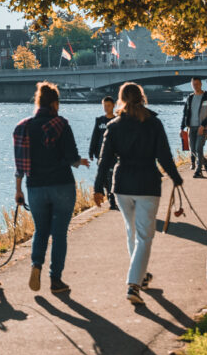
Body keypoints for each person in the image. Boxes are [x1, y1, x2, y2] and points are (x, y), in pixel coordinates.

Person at [93, 82, 183, 305]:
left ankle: (140, 276)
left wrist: (97, 188)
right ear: (142, 97)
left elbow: (104, 161)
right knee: (144, 237)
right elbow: (164, 156)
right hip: (147, 184)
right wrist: (176, 177)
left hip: (122, 185)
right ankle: (134, 284)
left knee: (131, 232)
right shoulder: (153, 123)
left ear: (120, 99)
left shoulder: (113, 126)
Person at [14, 81, 89, 294]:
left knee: (41, 230)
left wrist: (18, 190)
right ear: (55, 103)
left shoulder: (24, 127)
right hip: (62, 185)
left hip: (35, 187)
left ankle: (36, 264)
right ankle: (55, 280)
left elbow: (20, 164)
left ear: (38, 103)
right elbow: (70, 156)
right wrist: (78, 161)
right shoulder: (61, 124)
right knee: (59, 234)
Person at [180, 77, 207, 176]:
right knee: (193, 150)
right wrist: (182, 127)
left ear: (201, 84)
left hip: (202, 128)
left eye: (197, 84)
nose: (195, 86)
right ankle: (206, 162)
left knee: (198, 148)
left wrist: (203, 125)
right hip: (191, 127)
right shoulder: (190, 97)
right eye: (193, 84)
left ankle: (198, 170)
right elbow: (185, 114)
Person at [88, 96, 118, 210]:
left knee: (111, 176)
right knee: (103, 177)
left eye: (108, 105)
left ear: (113, 105)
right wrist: (91, 151)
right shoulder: (100, 120)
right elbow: (95, 136)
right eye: (104, 106)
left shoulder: (117, 121)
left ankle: (112, 199)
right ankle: (107, 194)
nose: (106, 108)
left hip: (114, 155)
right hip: (100, 154)